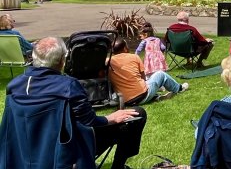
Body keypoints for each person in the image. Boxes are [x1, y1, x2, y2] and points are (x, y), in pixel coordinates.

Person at [5, 37, 145, 169]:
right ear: (62, 61)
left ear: (34, 58)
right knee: (138, 114)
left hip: (24, 149)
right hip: (65, 149)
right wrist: (111, 118)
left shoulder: (14, 86)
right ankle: (118, 166)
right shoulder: (68, 86)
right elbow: (89, 121)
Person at [109, 38, 189, 105]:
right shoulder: (134, 57)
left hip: (124, 100)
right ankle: (179, 88)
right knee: (160, 74)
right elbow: (143, 78)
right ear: (125, 48)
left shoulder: (108, 62)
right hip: (142, 96)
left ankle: (156, 97)